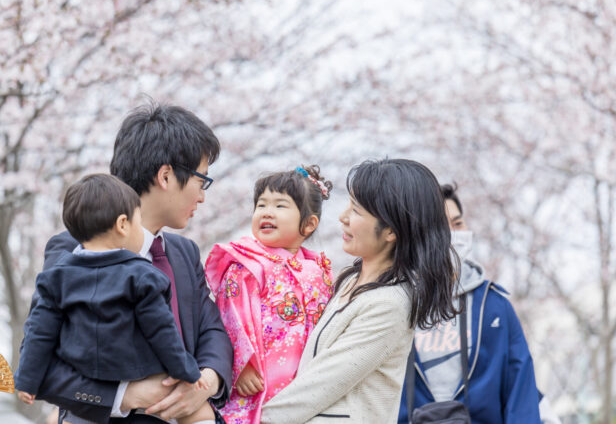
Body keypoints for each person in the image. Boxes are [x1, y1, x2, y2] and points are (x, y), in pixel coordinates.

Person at [20, 103, 233, 424]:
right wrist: (124, 396)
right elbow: (39, 359)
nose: (202, 197)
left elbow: (211, 330)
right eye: (201, 180)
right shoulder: (75, 250)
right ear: (166, 176)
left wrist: (206, 382)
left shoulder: (185, 253)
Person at [260, 158, 459, 423]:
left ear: (390, 230)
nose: (342, 218)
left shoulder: (390, 303)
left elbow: (320, 386)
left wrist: (247, 419)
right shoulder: (350, 280)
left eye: (355, 210)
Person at [15, 174, 214, 424]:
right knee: (200, 413)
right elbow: (162, 331)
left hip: (86, 376)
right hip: (137, 372)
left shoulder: (55, 277)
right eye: (137, 220)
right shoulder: (141, 275)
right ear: (123, 225)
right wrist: (185, 371)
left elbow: (39, 333)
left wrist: (27, 380)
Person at [396, 183, 545, 424]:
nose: (453, 234)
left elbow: (521, 392)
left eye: (458, 224)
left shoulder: (494, 306)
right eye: (441, 226)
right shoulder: (394, 303)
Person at [204, 165, 334, 424]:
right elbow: (231, 316)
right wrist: (241, 365)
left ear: (308, 224)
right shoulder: (247, 265)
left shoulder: (318, 270)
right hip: (258, 376)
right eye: (261, 205)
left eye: (280, 206)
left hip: (303, 380)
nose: (267, 213)